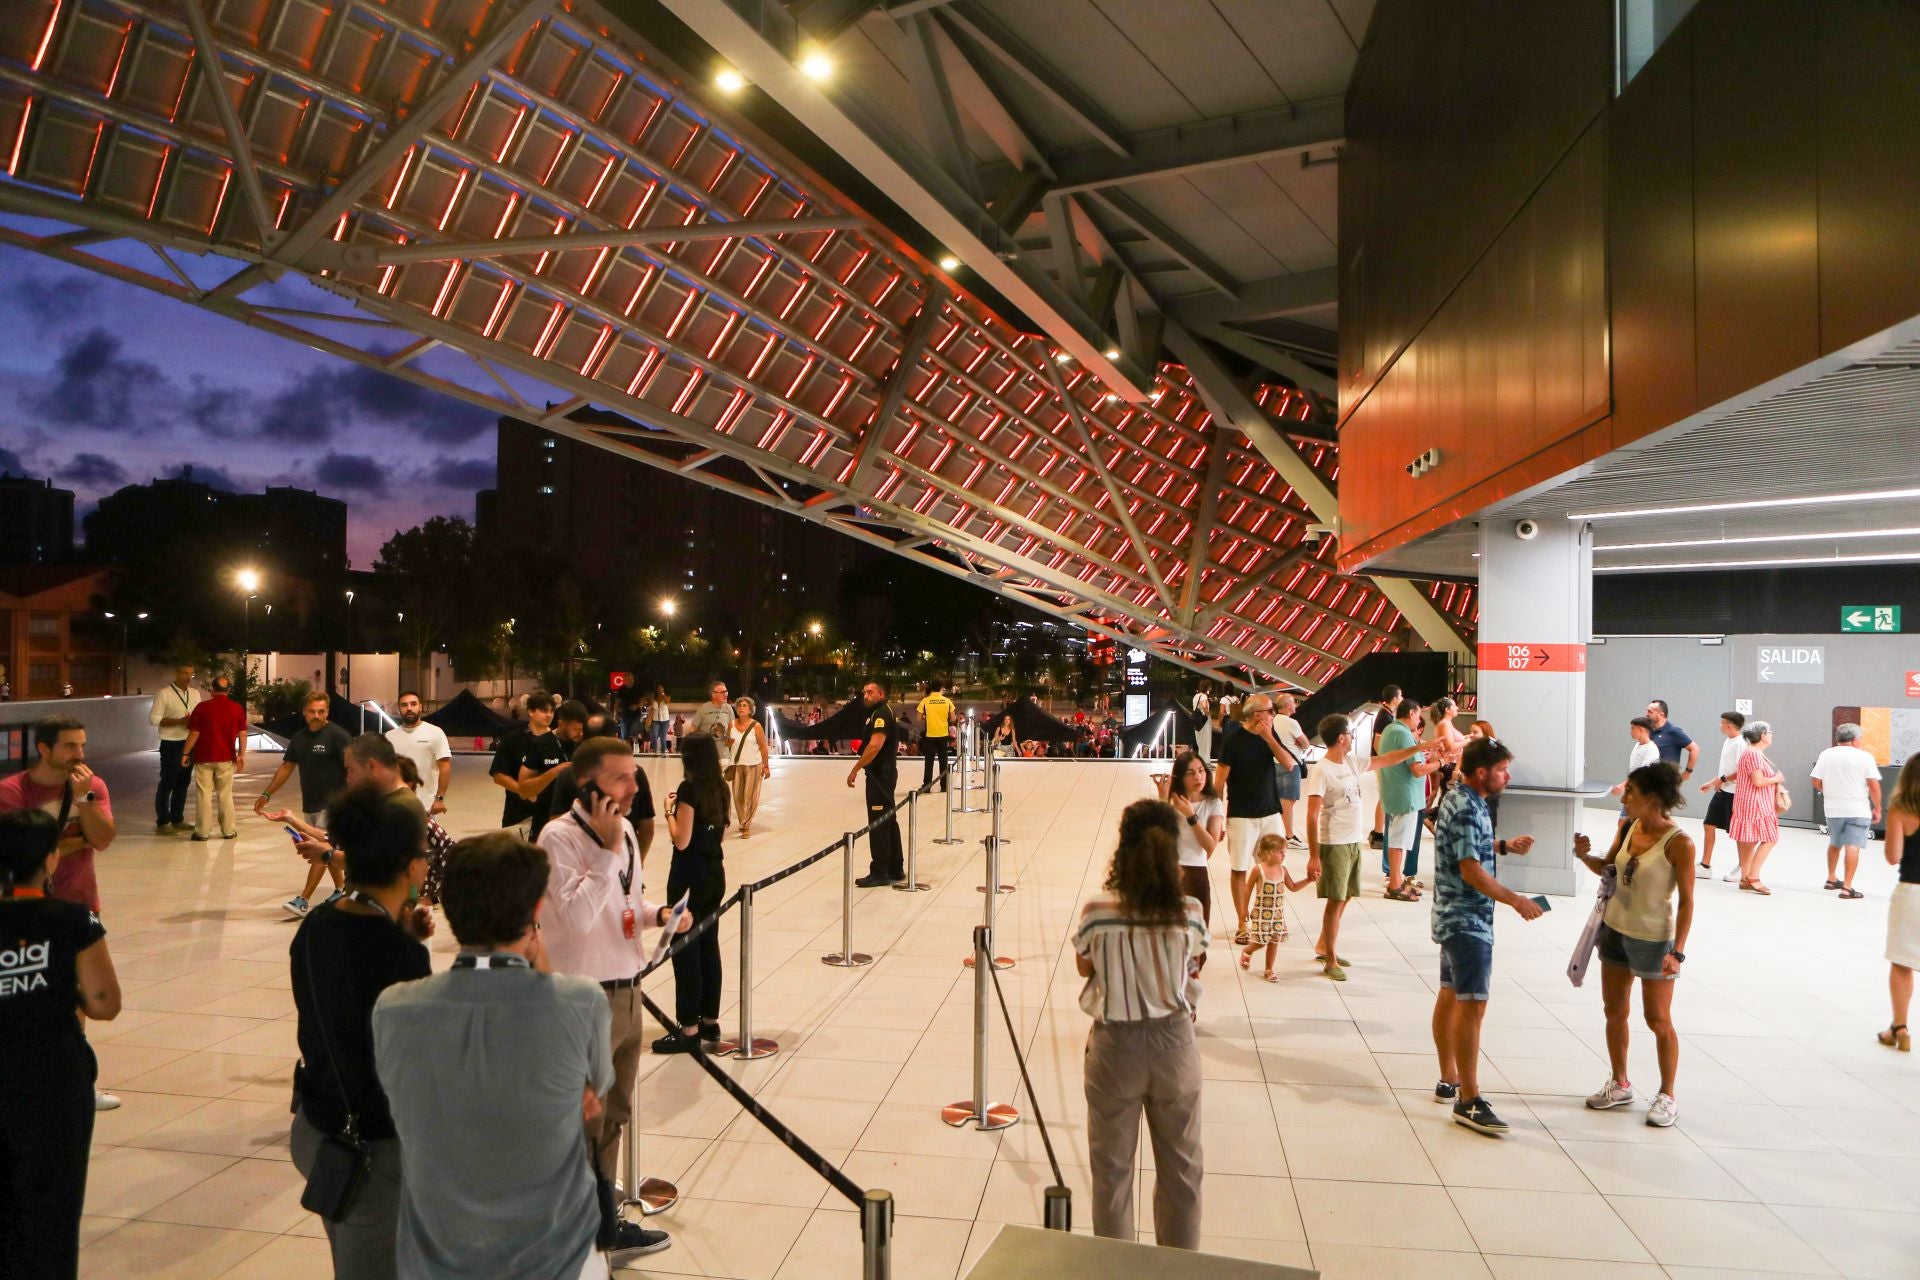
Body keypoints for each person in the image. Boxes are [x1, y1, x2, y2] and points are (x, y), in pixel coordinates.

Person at [374, 832, 676, 1273]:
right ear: (536, 911)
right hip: (552, 1250)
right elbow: (591, 1097)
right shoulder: (582, 1002)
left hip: (439, 1251)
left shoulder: (393, 1008)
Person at [287, 782, 433, 1279]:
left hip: (319, 1121)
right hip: (371, 1146)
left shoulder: (318, 922)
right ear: (409, 866)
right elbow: (414, 1061)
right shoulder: (399, 952)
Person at [536, 736, 677, 1193]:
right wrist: (606, 850)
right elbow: (577, 918)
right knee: (584, 1120)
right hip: (585, 999)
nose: (633, 787)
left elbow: (624, 901)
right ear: (586, 785)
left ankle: (604, 1213)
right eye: (620, 778)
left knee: (616, 1113)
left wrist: (659, 915)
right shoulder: (559, 837)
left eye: (633, 775)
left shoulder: (626, 831)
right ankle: (579, 1216)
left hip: (629, 991)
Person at [1073, 800, 1207, 1250]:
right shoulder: (1189, 911)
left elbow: (1084, 966)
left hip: (1116, 1048)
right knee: (1182, 1171)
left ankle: (1116, 1269)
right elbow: (1194, 964)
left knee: (1112, 1172)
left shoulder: (1098, 910)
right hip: (1175, 1046)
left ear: (1123, 848)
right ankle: (1178, 1268)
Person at [0, 809, 121, 1280]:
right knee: (53, 1202)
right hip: (53, 1077)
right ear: (51, 858)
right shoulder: (74, 920)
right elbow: (105, 1003)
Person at [1428, 735, 1543, 1135]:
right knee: (1472, 1005)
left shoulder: (1463, 799)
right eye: (1502, 770)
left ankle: (1449, 1079)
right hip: (1467, 921)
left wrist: (1503, 846)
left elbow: (1468, 846)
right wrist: (1516, 900)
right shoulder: (1466, 805)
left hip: (1452, 915)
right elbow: (1471, 869)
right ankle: (1469, 1100)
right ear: (1481, 772)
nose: (1507, 776)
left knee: (1450, 994)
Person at [1574, 762, 1695, 1129]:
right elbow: (1608, 867)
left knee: (1657, 1019)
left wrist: (1677, 952)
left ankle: (1667, 1094)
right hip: (1614, 931)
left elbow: (1687, 901)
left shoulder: (1679, 843)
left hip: (1655, 940)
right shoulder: (1627, 826)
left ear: (1653, 797)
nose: (1624, 797)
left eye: (1631, 792)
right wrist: (1584, 855)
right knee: (1614, 1011)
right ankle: (1620, 1083)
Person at [1304, 713, 1435, 981]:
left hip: (1352, 841)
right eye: (1350, 734)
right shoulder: (1322, 770)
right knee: (1335, 900)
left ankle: (1324, 945)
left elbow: (1387, 759)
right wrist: (1314, 856)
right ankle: (1330, 959)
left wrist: (1419, 748)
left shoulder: (1351, 762)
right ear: (1341, 738)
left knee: (1347, 895)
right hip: (1334, 842)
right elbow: (1311, 815)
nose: (1352, 737)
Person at [656, 733, 729, 1053]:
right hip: (714, 873)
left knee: (685, 950)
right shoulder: (721, 788)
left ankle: (688, 1027)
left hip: (688, 878)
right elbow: (720, 836)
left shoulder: (689, 789)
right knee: (708, 946)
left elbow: (682, 840)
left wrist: (668, 812)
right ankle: (710, 1020)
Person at [1211, 694, 1299, 947]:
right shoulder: (1233, 740)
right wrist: (1216, 818)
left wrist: (1269, 737)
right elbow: (1219, 782)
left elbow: (1289, 764)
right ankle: (1242, 922)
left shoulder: (1270, 735)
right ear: (1257, 714)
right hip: (1241, 815)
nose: (1274, 714)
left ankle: (1266, 918)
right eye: (1271, 711)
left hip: (1270, 812)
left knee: (1272, 868)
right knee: (1239, 869)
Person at [258, 692, 354, 917]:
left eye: (321, 711)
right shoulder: (299, 739)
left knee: (320, 849)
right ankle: (341, 889)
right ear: (304, 712)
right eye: (312, 711)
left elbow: (353, 767)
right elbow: (286, 768)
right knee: (328, 849)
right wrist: (267, 794)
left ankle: (303, 900)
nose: (316, 716)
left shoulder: (338, 735)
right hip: (311, 804)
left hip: (335, 805)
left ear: (327, 712)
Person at [1152, 751, 1225, 945]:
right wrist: (1163, 801)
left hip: (1196, 871)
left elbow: (1210, 846)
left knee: (1198, 934)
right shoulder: (1170, 800)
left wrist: (1191, 816)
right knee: (1167, 934)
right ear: (1180, 776)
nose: (1198, 777)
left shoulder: (1213, 803)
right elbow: (1159, 840)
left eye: (1201, 771)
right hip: (1169, 870)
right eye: (1191, 773)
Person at [1378, 701, 1443, 902]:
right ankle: (1394, 885)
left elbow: (1406, 760)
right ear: (1412, 713)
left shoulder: (1390, 730)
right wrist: (1442, 762)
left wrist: (1423, 753)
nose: (1419, 720)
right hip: (1405, 796)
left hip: (1396, 792)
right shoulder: (1404, 733)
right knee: (1398, 842)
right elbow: (1418, 770)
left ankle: (1397, 881)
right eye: (1418, 715)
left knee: (1397, 840)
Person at [1878, 754, 1920, 1053]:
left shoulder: (1900, 810)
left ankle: (1900, 1028)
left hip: (1911, 893)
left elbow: (1893, 857)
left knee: (1902, 962)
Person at [1812, 723, 1882, 899]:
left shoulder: (1826, 754)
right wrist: (1878, 807)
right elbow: (1873, 785)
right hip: (1858, 809)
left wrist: (1828, 792)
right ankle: (1847, 887)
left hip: (1833, 809)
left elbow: (1815, 780)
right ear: (1855, 740)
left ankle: (1831, 879)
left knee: (1835, 842)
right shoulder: (1865, 757)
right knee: (1853, 845)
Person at [848, 680, 904, 887]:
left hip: (880, 775)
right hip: (883, 774)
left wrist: (855, 768)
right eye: (864, 692)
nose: (866, 695)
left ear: (881, 693)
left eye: (870, 692)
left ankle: (880, 871)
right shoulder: (877, 712)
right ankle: (895, 867)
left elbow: (875, 745)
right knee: (888, 820)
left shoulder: (881, 713)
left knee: (878, 822)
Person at [490, 694, 568, 837]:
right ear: (531, 711)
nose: (549, 715)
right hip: (518, 813)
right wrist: (525, 790)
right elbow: (498, 774)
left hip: (550, 815)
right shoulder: (513, 739)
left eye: (551, 711)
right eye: (544, 710)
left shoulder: (558, 741)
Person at [1239, 833, 1313, 982]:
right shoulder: (1258, 870)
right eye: (1281, 852)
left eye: (1285, 852)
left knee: (1274, 942)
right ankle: (1248, 950)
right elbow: (1247, 890)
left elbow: (1293, 887)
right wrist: (1244, 909)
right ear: (1268, 853)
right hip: (1262, 914)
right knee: (1261, 942)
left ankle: (1269, 969)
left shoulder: (1283, 870)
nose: (1284, 855)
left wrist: (1309, 880)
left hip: (1277, 915)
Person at [183, 674, 248, 840]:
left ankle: (202, 832)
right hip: (226, 757)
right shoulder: (236, 708)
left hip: (204, 757)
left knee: (204, 795)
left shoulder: (202, 708)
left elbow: (194, 733)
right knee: (225, 794)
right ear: (228, 691)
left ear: (212, 689)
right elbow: (242, 733)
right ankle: (228, 830)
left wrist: (185, 753)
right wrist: (241, 755)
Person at [1730, 720, 1785, 894]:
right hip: (1756, 804)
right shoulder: (1754, 754)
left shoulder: (1750, 752)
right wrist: (1776, 779)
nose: (1771, 735)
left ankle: (1745, 878)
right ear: (1762, 735)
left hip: (1748, 802)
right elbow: (1758, 781)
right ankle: (1753, 877)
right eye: (1770, 732)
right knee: (1770, 838)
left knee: (1749, 841)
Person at [148, 661, 200, 835]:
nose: (188, 677)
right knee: (168, 782)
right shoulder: (164, 694)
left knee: (183, 782)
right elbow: (154, 719)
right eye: (185, 673)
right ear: (176, 673)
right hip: (171, 743)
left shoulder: (195, 694)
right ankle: (163, 821)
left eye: (191, 674)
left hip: (189, 742)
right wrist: (179, 722)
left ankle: (177, 819)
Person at [533, 701, 596, 839]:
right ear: (561, 724)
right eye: (576, 730)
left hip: (581, 824)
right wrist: (554, 772)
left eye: (583, 729)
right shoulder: (540, 744)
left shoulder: (588, 745)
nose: (580, 734)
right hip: (546, 820)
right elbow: (525, 791)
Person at [385, 692, 451, 816]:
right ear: (399, 709)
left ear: (420, 707)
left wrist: (440, 798)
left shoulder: (435, 733)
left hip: (426, 805)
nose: (409, 708)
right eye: (404, 705)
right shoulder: (389, 737)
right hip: (396, 804)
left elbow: (445, 767)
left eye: (413, 704)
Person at [1696, 711, 1745, 876]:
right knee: (1709, 824)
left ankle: (1743, 868)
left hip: (1735, 794)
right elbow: (1726, 769)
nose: (1720, 725)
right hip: (1722, 791)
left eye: (1722, 722)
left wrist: (1722, 779)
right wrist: (1712, 782)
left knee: (1738, 832)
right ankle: (1705, 866)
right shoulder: (1727, 741)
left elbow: (1743, 771)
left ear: (1729, 725)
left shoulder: (1740, 744)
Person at [1611, 716, 1662, 844]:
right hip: (1633, 793)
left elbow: (1641, 774)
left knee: (1635, 825)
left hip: (1644, 795)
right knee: (1623, 823)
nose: (1630, 731)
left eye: (1633, 728)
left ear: (1641, 730)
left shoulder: (1651, 749)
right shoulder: (1637, 746)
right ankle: (1622, 849)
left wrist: (1622, 786)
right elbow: (1633, 771)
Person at [1365, 684, 1404, 849]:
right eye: (1400, 696)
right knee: (1385, 796)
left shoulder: (1387, 715)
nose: (1402, 699)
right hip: (1382, 762)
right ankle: (1378, 832)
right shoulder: (1384, 717)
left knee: (1385, 796)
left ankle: (1378, 831)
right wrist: (1387, 760)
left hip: (1382, 761)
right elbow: (1377, 742)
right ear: (1394, 699)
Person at [1271, 692, 1313, 847]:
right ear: (1288, 705)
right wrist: (1298, 743)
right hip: (1291, 764)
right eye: (1293, 702)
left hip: (1276, 763)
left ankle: (1281, 829)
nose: (1295, 704)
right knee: (1288, 799)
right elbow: (1305, 743)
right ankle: (1289, 835)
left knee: (1286, 800)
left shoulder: (1273, 720)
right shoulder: (1291, 723)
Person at [725, 696, 770, 838]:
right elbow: (727, 743)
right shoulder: (731, 724)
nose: (741, 708)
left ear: (750, 710)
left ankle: (746, 826)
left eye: (744, 705)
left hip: (754, 765)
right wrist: (727, 742)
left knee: (749, 796)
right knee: (737, 795)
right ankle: (742, 821)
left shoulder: (756, 726)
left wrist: (766, 766)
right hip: (737, 764)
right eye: (739, 705)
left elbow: (763, 747)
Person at [1644, 699, 1699, 785]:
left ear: (1661, 715)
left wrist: (1688, 771)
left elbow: (1695, 749)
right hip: (1650, 781)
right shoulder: (1649, 732)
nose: (1646, 714)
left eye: (1650, 712)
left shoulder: (1673, 731)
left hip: (1667, 782)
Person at [917, 680, 956, 792]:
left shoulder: (925, 701)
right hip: (943, 735)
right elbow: (953, 718)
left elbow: (919, 718)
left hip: (930, 735)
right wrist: (944, 719)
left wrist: (927, 718)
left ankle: (927, 786)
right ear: (941, 688)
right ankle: (944, 786)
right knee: (943, 761)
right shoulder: (947, 701)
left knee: (929, 762)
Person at [648, 685, 672, 755]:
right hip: (655, 720)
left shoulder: (667, 696)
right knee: (654, 735)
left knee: (662, 737)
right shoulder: (653, 698)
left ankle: (662, 753)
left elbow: (667, 701)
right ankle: (655, 751)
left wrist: (663, 694)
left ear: (663, 689)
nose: (659, 689)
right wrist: (648, 720)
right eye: (658, 688)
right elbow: (651, 708)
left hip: (665, 721)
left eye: (661, 688)